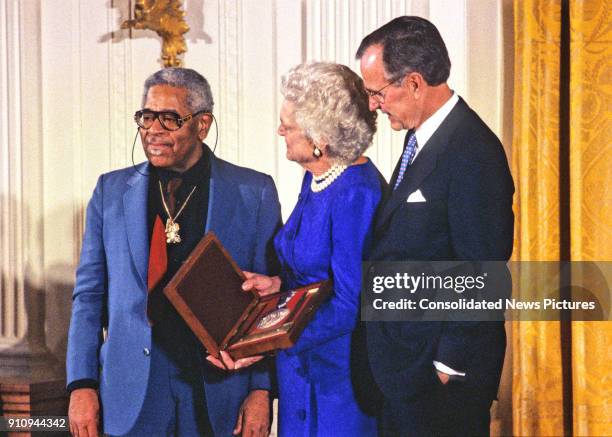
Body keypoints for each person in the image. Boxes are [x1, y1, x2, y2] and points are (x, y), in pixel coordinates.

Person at [66, 68, 281, 437]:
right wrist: (80, 384)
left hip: (217, 388)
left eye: (169, 119)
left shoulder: (253, 191)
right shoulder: (111, 191)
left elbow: (266, 306)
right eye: (146, 118)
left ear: (203, 124)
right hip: (130, 390)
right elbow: (89, 297)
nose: (153, 130)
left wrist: (261, 391)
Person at [356, 16, 515, 437]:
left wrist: (445, 367)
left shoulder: (473, 151)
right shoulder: (419, 137)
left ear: (413, 82)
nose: (373, 104)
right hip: (406, 372)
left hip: (440, 385)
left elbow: (483, 271)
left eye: (376, 92)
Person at [208, 62, 383, 436]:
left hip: (338, 381)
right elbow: (312, 272)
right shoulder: (317, 178)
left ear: (320, 136)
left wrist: (267, 341)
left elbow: (352, 302)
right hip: (300, 373)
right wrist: (276, 285)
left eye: (288, 124)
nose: (280, 130)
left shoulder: (357, 193)